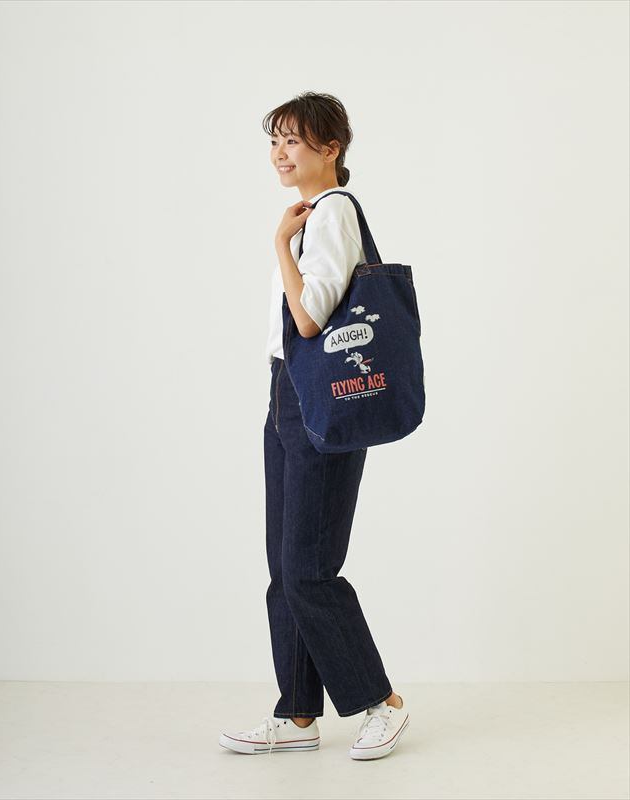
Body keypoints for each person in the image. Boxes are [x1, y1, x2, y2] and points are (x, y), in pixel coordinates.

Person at [219, 92, 410, 760]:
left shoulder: (332, 213)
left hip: (319, 400)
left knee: (308, 569)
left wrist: (280, 243)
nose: (279, 152)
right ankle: (298, 714)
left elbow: (307, 320)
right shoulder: (313, 215)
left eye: (293, 140)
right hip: (286, 394)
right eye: (274, 140)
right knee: (285, 568)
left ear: (331, 148)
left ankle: (381, 702)